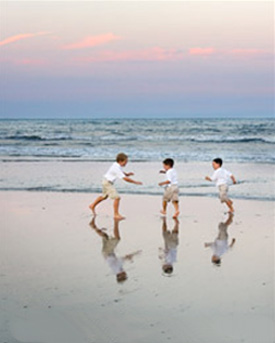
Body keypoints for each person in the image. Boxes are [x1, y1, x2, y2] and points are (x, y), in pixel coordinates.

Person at [89, 153, 142, 220]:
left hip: (106, 181)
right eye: (125, 162)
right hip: (107, 183)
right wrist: (135, 182)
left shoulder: (116, 165)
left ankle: (92, 205)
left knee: (104, 196)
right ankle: (116, 214)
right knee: (117, 198)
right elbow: (124, 178)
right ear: (120, 161)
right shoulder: (116, 167)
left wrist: (127, 174)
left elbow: (121, 172)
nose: (126, 163)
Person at [89, 217, 142, 283]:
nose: (125, 274)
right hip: (106, 253)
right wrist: (131, 256)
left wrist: (134, 254)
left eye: (124, 275)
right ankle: (93, 226)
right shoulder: (117, 270)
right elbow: (123, 259)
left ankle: (116, 222)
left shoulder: (117, 269)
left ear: (120, 275)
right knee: (105, 236)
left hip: (108, 252)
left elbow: (123, 258)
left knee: (117, 239)